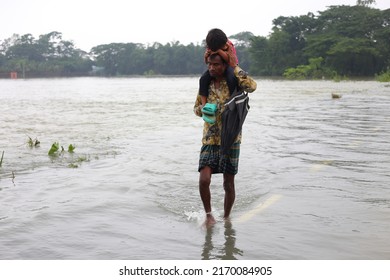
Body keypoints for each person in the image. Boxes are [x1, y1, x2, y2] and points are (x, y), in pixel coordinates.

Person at [194, 52, 257, 226]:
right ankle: (208, 215)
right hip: (210, 138)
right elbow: (195, 109)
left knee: (228, 184)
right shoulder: (205, 84)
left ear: (224, 65)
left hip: (231, 138)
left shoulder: (234, 80)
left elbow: (252, 86)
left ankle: (227, 217)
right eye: (209, 65)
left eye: (216, 65)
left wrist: (234, 67)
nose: (211, 68)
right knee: (204, 179)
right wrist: (204, 109)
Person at [198, 28, 239, 107]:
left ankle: (233, 100)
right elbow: (207, 62)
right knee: (203, 79)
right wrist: (206, 56)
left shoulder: (228, 45)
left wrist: (219, 51)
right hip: (216, 67)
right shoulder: (210, 47)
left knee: (231, 78)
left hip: (229, 65)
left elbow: (229, 60)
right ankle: (203, 103)